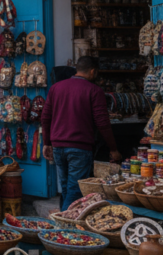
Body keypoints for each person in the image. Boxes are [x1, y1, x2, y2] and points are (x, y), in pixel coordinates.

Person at [42, 56, 123, 211]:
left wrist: (46, 143)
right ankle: (64, 226)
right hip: (79, 148)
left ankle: (63, 222)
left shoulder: (56, 88)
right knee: (74, 190)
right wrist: (113, 149)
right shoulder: (94, 91)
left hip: (58, 146)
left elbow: (45, 118)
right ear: (93, 71)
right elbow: (102, 123)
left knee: (66, 188)